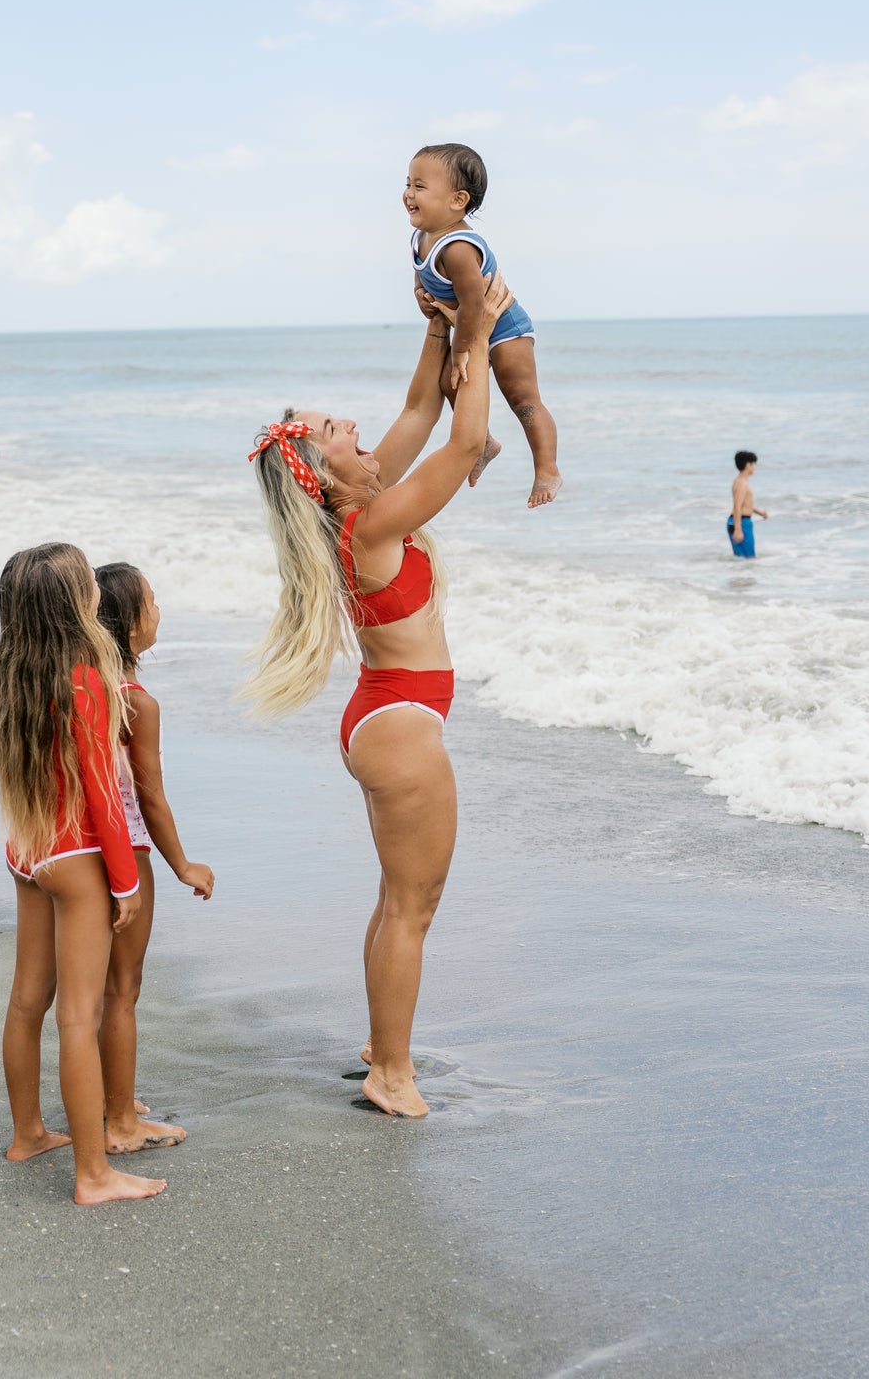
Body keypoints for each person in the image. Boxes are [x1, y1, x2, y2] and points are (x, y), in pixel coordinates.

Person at [245, 269, 515, 1118]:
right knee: (413, 905)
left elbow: (420, 416)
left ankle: (380, 1043)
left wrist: (439, 330)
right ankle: (390, 1075)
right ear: (322, 471)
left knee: (398, 899)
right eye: (333, 429)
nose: (354, 426)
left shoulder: (356, 500)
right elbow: (464, 447)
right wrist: (479, 328)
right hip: (398, 725)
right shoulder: (369, 522)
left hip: (390, 716)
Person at [0, 542, 166, 1206]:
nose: (97, 591)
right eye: (87, 584)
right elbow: (100, 790)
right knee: (79, 1016)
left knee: (26, 1001)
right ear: (73, 606)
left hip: (26, 846)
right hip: (74, 855)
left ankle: (27, 1132)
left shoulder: (14, 667)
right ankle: (94, 1174)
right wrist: (125, 882)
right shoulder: (87, 676)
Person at [94, 561, 216, 1155]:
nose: (159, 610)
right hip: (123, 850)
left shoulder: (78, 680)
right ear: (128, 623)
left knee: (92, 984)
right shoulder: (135, 700)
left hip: (70, 844)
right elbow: (150, 795)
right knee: (123, 987)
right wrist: (183, 865)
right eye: (152, 601)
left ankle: (107, 1094)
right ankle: (120, 1121)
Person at [406, 142, 562, 508]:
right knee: (449, 383)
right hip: (468, 327)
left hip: (505, 328)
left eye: (420, 186)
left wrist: (461, 351)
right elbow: (421, 272)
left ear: (457, 200)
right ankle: (484, 441)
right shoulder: (422, 236)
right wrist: (419, 292)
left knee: (522, 398)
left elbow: (475, 304)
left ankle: (547, 467)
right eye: (408, 183)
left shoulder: (459, 248)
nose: (409, 194)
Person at [728, 450, 767, 559]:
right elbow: (737, 506)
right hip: (741, 522)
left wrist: (760, 513)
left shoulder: (741, 482)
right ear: (748, 464)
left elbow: (745, 505)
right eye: (753, 464)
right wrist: (738, 529)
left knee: (744, 558)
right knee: (748, 559)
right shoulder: (741, 483)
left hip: (741, 521)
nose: (754, 467)